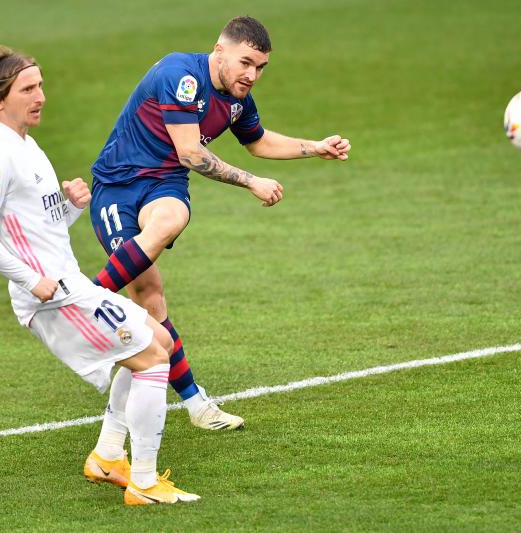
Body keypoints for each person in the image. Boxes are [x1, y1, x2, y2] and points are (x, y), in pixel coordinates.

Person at [86, 15, 351, 460]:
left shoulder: (236, 99)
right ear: (220, 50)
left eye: (261, 67)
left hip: (163, 185)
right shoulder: (180, 75)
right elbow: (191, 152)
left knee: (170, 220)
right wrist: (251, 182)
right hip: (117, 187)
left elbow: (259, 141)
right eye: (246, 62)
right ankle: (88, 304)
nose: (252, 74)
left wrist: (314, 146)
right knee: (150, 307)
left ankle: (95, 307)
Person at [0, 45, 198, 505]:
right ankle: (144, 484)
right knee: (152, 359)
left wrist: (68, 205)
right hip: (53, 296)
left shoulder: (26, 144)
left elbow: (34, 229)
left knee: (158, 341)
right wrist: (30, 281)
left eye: (41, 85)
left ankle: (108, 457)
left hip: (68, 283)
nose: (41, 96)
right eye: (28, 89)